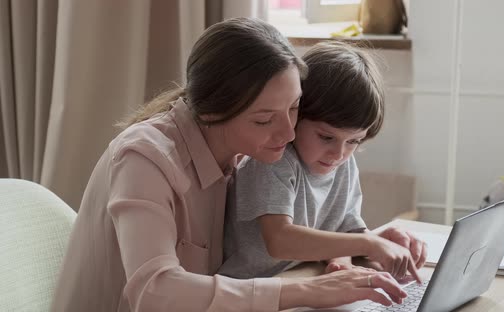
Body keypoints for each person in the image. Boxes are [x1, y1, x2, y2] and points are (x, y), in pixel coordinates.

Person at [51, 18, 411, 312]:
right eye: (264, 119)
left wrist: (365, 244)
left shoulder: (244, 151)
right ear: (212, 113)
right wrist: (307, 291)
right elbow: (155, 291)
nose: (288, 132)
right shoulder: (144, 158)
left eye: (294, 107)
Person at [219, 41, 427, 282]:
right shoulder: (274, 161)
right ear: (296, 114)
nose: (338, 153)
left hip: (302, 279)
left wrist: (343, 262)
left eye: (354, 141)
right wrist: (368, 243)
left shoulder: (341, 163)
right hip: (248, 289)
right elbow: (279, 240)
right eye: (326, 137)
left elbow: (341, 228)